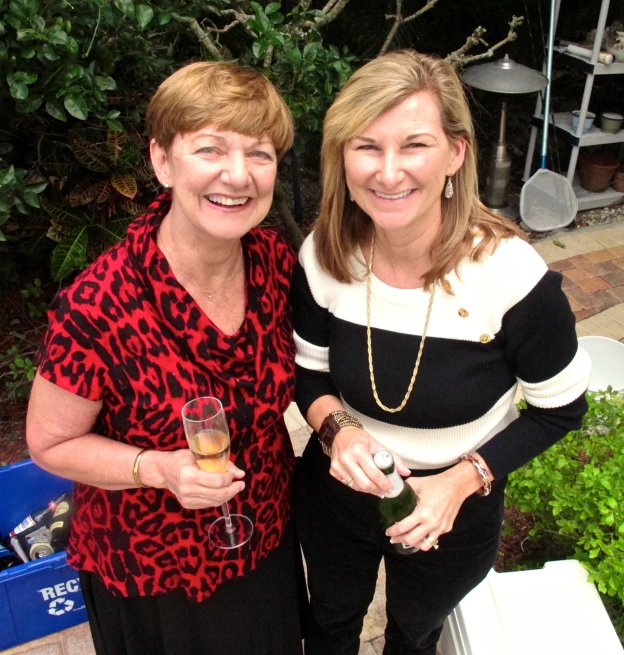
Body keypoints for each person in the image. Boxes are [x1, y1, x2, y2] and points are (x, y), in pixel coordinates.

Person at [292, 49, 590, 655]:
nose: (389, 171)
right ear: (341, 156)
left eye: (414, 145)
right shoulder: (326, 254)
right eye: (366, 146)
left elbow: (561, 409)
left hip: (452, 512)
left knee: (416, 633)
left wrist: (462, 480)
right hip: (338, 497)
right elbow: (311, 373)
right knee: (328, 623)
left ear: (456, 152)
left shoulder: (511, 278)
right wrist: (338, 431)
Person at [26, 61, 304, 655]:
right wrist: (158, 469)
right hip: (153, 565)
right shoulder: (97, 305)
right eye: (210, 149)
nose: (238, 175)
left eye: (260, 154)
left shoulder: (275, 261)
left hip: (264, 535)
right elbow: (50, 445)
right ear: (161, 161)